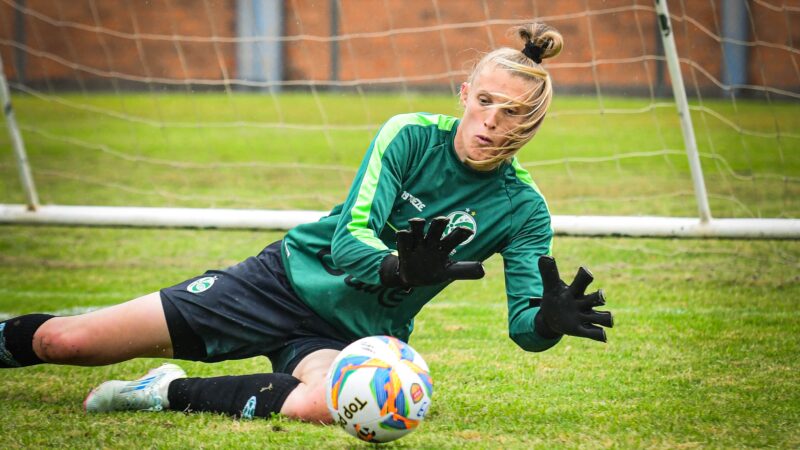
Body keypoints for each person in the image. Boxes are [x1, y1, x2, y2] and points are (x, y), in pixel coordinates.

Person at [0, 22, 612, 423]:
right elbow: (349, 239)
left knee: (326, 404)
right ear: (463, 93)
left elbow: (523, 329)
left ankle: (162, 391)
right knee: (66, 342)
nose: (490, 123)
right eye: (483, 102)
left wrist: (549, 321)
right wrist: (399, 267)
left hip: (354, 333)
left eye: (511, 115)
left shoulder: (525, 209)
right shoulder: (408, 136)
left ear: (530, 126)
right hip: (280, 282)